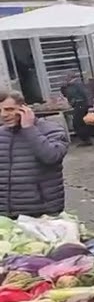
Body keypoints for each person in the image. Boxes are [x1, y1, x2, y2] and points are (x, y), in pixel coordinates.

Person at [0, 91, 69, 219]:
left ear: (24, 108)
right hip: (6, 213)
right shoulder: (1, 134)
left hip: (41, 212)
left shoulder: (52, 130)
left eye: (9, 109)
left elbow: (51, 157)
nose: (3, 115)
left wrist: (29, 129)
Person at [60, 78, 94, 147]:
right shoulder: (71, 86)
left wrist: (90, 105)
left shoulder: (78, 85)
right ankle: (93, 135)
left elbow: (87, 94)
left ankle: (87, 139)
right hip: (80, 105)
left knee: (78, 122)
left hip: (81, 104)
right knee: (82, 122)